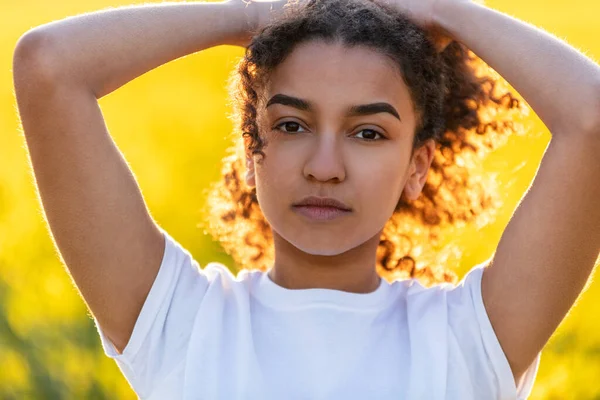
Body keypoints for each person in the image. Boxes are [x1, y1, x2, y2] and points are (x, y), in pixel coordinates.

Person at [12, 0, 600, 398]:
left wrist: (441, 9)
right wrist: (251, 13)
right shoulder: (181, 323)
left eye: (368, 133)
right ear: (250, 149)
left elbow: (591, 119)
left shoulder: (471, 337)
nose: (324, 168)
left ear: (416, 166)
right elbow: (47, 67)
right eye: (291, 125)